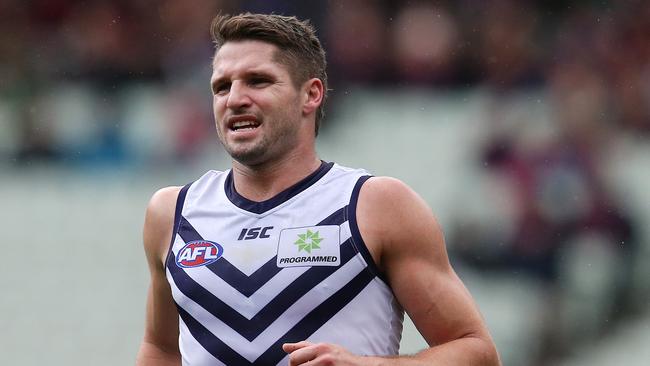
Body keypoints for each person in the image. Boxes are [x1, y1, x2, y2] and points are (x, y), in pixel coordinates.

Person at [136, 13, 500, 366]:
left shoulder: (375, 205)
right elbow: (161, 350)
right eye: (222, 86)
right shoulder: (172, 212)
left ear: (311, 95)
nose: (234, 98)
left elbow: (476, 352)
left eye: (258, 81)